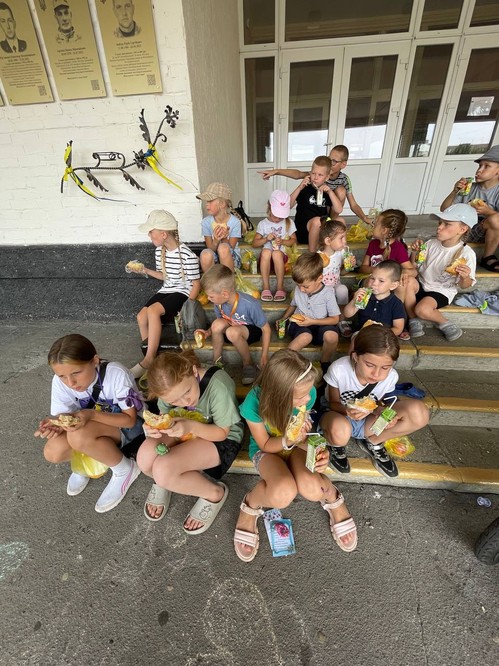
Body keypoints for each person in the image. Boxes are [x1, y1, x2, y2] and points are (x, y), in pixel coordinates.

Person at [234, 350, 357, 562]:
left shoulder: (307, 395)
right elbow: (265, 444)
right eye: (300, 397)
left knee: (313, 489)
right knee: (282, 494)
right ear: (278, 395)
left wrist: (318, 450)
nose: (308, 399)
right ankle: (250, 505)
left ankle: (332, 496)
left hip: (296, 445)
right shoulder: (253, 403)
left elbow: (304, 435)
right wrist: (288, 441)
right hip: (267, 450)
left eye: (309, 393)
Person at [34, 334, 144, 513]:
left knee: (77, 436)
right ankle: (89, 459)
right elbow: (64, 413)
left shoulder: (116, 374)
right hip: (90, 427)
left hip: (128, 427)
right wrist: (57, 423)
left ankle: (125, 469)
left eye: (76, 373)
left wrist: (91, 414)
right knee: (52, 452)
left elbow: (130, 421)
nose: (71, 383)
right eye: (62, 376)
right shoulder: (60, 382)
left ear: (95, 361)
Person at [137, 350, 243, 532]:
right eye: (174, 400)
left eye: (187, 392)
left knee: (162, 470)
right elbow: (165, 416)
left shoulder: (218, 385)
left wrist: (190, 427)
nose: (184, 401)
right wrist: (153, 429)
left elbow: (222, 433)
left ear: (194, 371)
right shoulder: (169, 390)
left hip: (221, 437)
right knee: (144, 458)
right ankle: (168, 481)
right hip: (184, 429)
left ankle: (213, 493)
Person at [320, 326, 429, 478]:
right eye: (369, 365)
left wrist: (385, 414)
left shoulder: (391, 376)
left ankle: (374, 440)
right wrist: (348, 411)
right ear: (356, 356)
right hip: (338, 415)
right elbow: (333, 403)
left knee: (420, 413)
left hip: (367, 421)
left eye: (385, 367)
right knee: (340, 431)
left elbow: (379, 403)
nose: (376, 374)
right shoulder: (339, 369)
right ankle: (335, 445)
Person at [128, 210, 201, 378]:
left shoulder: (187, 255)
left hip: (183, 292)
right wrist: (145, 270)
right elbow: (164, 276)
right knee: (141, 316)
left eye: (151, 231)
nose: (149, 235)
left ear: (164, 234)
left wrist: (187, 307)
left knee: (153, 310)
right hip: (167, 289)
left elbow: (196, 284)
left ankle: (149, 359)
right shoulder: (159, 252)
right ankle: (150, 354)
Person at [404, 204, 477, 342]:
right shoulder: (430, 244)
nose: (439, 227)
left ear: (462, 229)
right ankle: (413, 320)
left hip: (441, 291)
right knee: (406, 281)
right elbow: (414, 267)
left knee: (422, 310)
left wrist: (465, 277)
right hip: (422, 284)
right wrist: (414, 252)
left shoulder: (466, 254)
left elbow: (465, 285)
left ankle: (445, 323)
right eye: (440, 223)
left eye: (447, 224)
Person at [258, 144, 370, 226]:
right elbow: (298, 174)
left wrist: (365, 218)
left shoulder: (344, 179)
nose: (329, 163)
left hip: (330, 211)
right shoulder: (318, 175)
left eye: (334, 161)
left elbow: (353, 204)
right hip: (312, 214)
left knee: (341, 191)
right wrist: (276, 171)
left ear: (343, 164)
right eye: (329, 159)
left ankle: (330, 222)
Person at [198, 265, 271, 385]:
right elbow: (221, 320)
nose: (209, 299)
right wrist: (208, 332)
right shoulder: (218, 302)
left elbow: (266, 329)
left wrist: (264, 355)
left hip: (250, 332)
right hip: (231, 328)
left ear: (224, 294)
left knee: (232, 332)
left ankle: (248, 364)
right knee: (216, 324)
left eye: (211, 296)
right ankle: (216, 362)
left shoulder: (250, 304)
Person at [278, 252, 340, 376]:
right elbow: (293, 305)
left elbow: (335, 319)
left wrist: (312, 321)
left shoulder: (328, 292)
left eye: (305, 286)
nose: (301, 289)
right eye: (298, 285)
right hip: (300, 324)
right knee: (305, 337)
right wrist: (283, 318)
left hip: (320, 323)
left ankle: (324, 363)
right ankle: (283, 364)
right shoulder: (299, 289)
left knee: (332, 336)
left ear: (320, 278)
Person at [441, 145, 499, 272]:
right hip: (467, 230)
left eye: (487, 166)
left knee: (496, 218)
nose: (479, 170)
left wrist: (488, 212)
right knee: (448, 222)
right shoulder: (469, 188)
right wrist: (454, 192)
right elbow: (445, 210)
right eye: (480, 166)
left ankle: (487, 256)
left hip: (491, 233)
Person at [343, 261, 407, 341]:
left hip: (384, 336)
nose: (374, 283)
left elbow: (398, 328)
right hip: (362, 333)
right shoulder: (365, 297)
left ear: (393, 285)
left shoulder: (396, 303)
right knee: (355, 340)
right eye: (372, 278)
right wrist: (353, 300)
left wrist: (381, 335)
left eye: (381, 281)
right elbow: (347, 314)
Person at [289, 155, 343, 251]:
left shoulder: (327, 191)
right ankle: (312, 255)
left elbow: (339, 210)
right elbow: (288, 206)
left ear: (327, 177)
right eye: (313, 173)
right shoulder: (305, 188)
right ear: (310, 173)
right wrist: (299, 188)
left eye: (320, 175)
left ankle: (342, 253)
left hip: (321, 231)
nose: (315, 177)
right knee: (317, 221)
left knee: (340, 220)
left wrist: (330, 192)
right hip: (304, 231)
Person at [252, 189, 297, 302]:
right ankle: (266, 287)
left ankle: (280, 287)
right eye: (276, 215)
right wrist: (266, 239)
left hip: (282, 260)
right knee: (266, 251)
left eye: (281, 217)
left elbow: (293, 241)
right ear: (269, 207)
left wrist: (283, 242)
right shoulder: (263, 224)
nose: (278, 219)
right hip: (266, 261)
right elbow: (255, 243)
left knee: (276, 253)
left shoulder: (288, 222)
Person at [197, 182, 242, 273]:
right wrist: (216, 240)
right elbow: (211, 249)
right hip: (215, 257)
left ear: (222, 204)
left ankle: (228, 280)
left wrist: (224, 238)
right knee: (205, 253)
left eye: (210, 201)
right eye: (206, 201)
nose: (206, 204)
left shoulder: (235, 222)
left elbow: (231, 248)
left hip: (232, 259)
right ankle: (211, 281)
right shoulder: (206, 222)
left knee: (223, 247)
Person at [317, 217, 350, 307]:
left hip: (336, 285)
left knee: (343, 289)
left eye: (345, 237)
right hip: (321, 289)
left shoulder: (341, 253)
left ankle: (342, 313)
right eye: (341, 238)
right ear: (328, 241)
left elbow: (342, 273)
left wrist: (349, 266)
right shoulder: (318, 257)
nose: (345, 241)